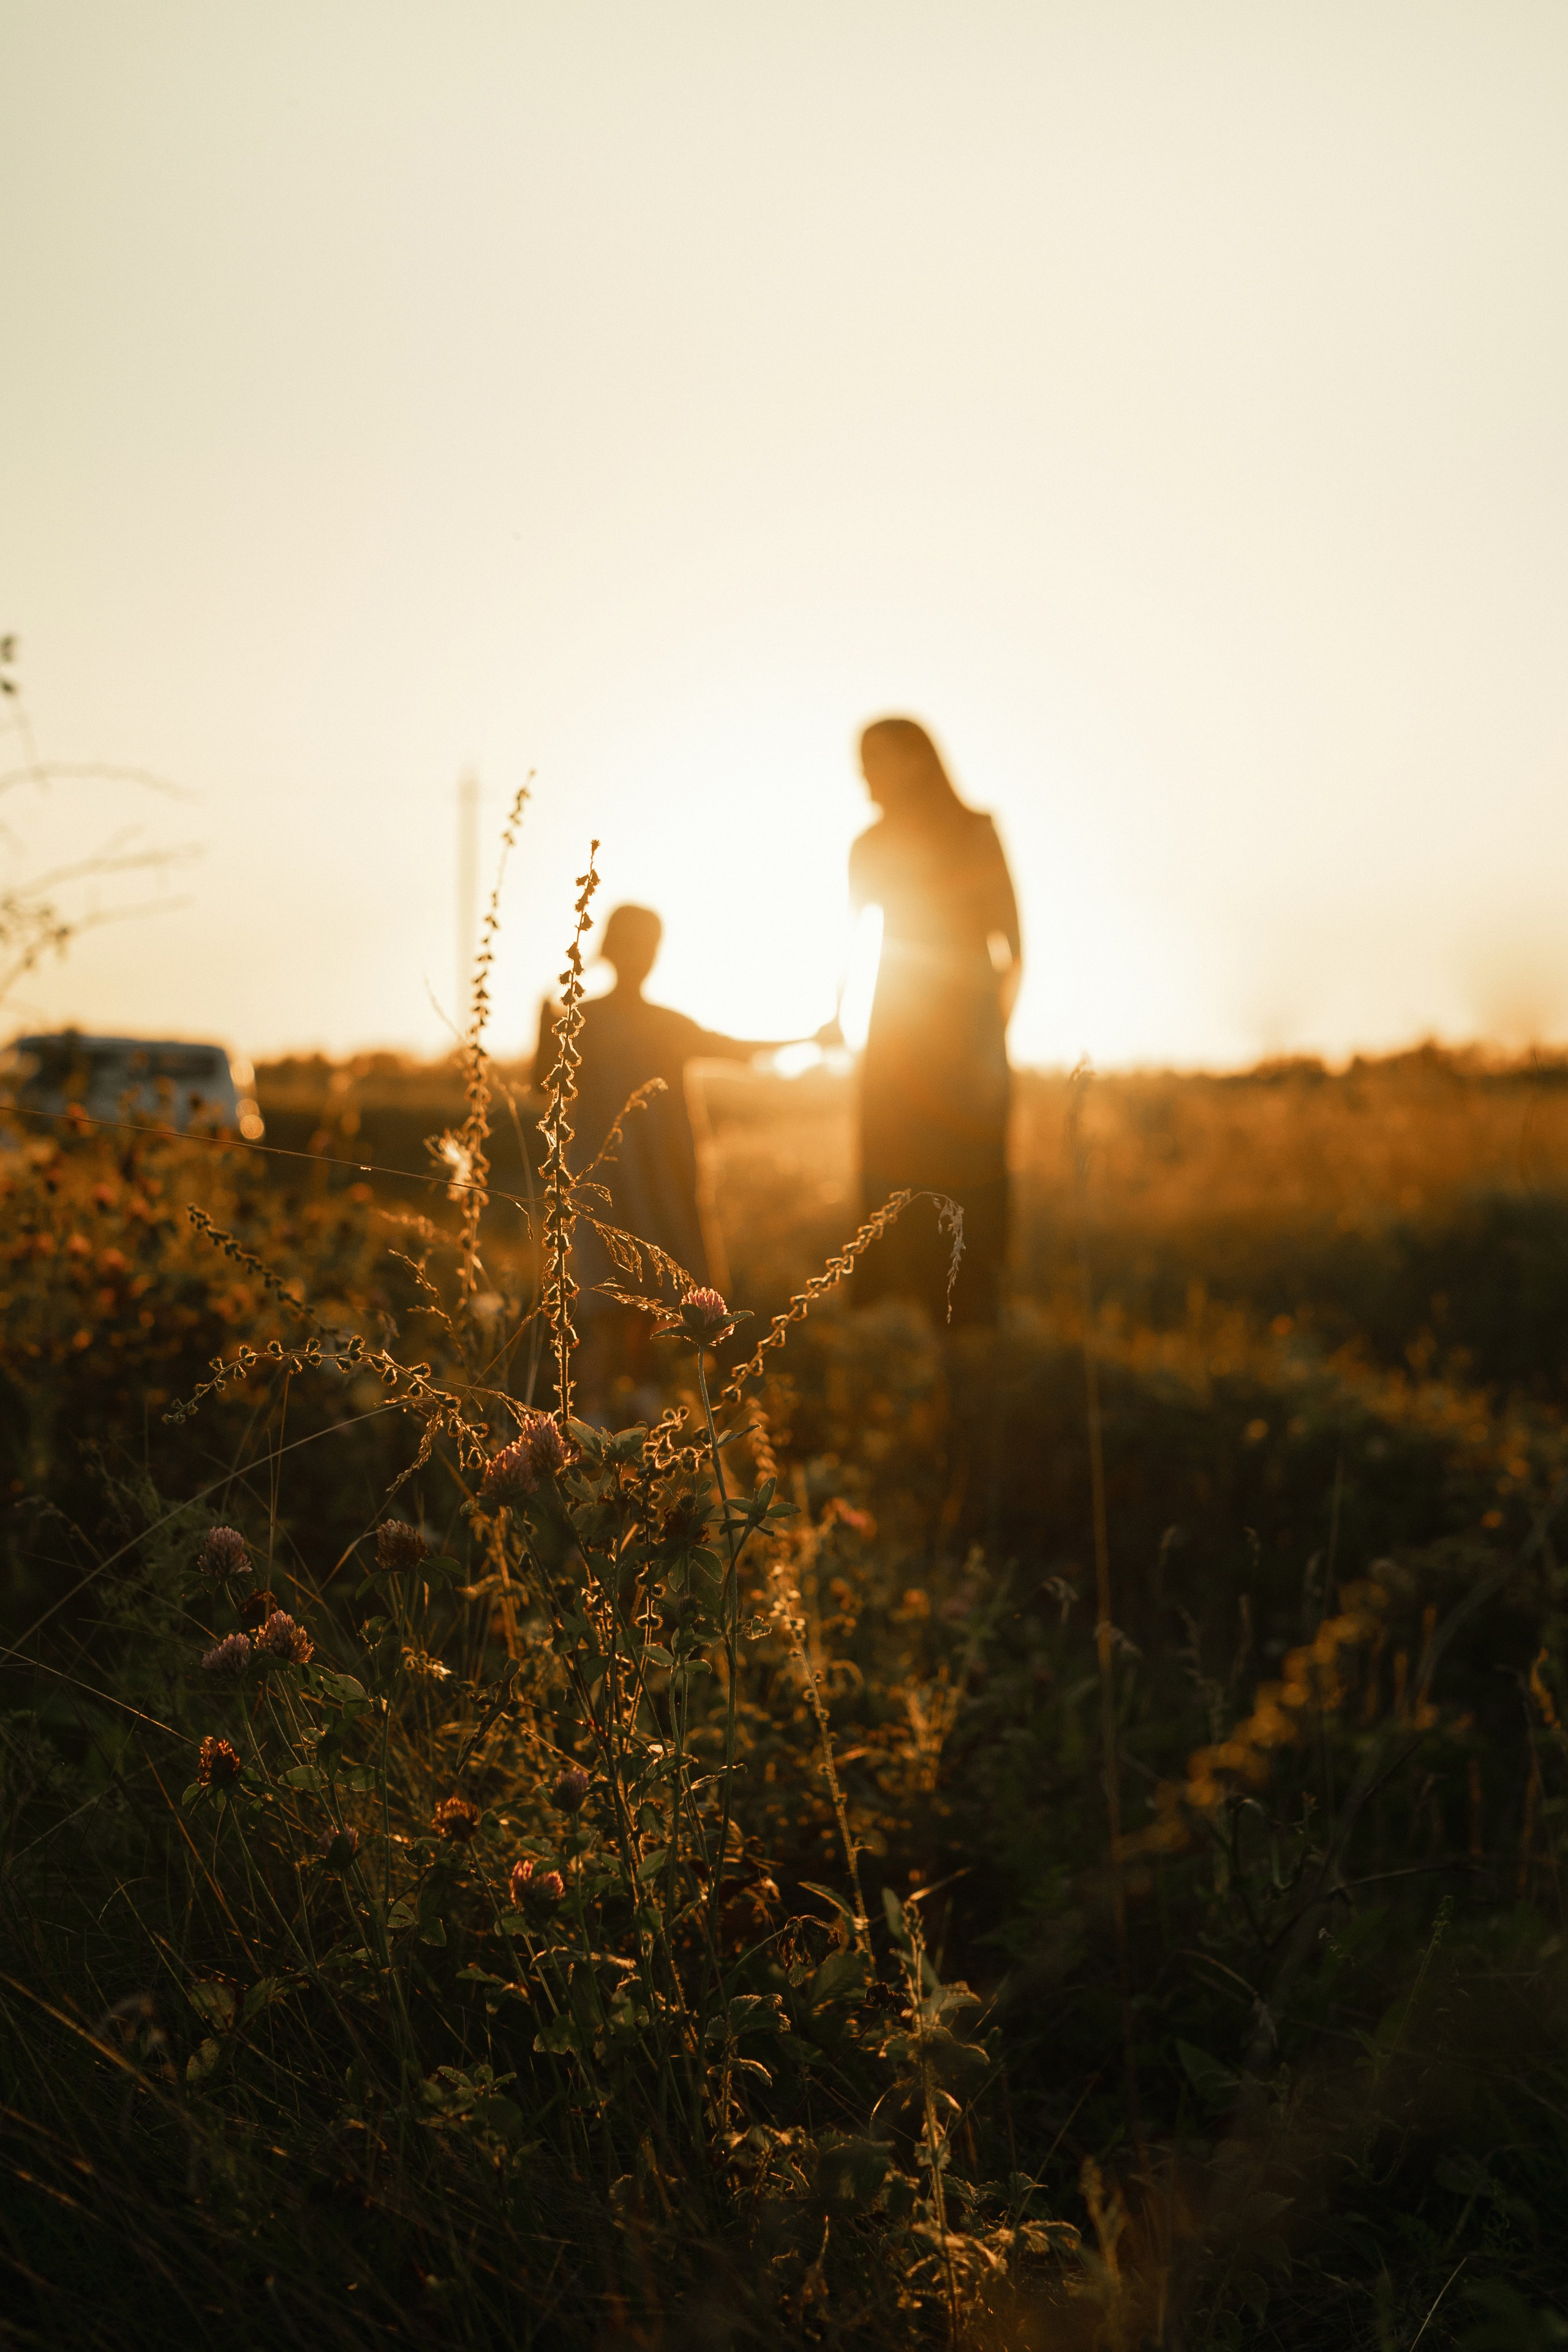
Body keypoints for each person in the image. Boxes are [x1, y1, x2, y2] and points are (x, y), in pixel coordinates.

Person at [533, 903, 826, 1411]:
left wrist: (811, 1038)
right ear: (612, 949)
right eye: (633, 946)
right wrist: (546, 1024)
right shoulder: (584, 1020)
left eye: (649, 947)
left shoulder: (658, 1023)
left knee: (653, 1297)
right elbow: (543, 1081)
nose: (642, 957)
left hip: (661, 1181)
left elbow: (735, 1049)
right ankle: (596, 1411)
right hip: (603, 1185)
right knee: (606, 1301)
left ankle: (636, 1403)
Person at [846, 718, 1021, 1328]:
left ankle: (971, 1316)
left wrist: (991, 1036)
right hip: (896, 1027)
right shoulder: (868, 845)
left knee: (969, 1167)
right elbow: (851, 940)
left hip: (966, 1026)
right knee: (893, 1164)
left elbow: (1014, 945)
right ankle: (903, 1321)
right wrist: (837, 1019)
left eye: (875, 758)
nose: (863, 773)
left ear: (918, 760)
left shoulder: (976, 832)